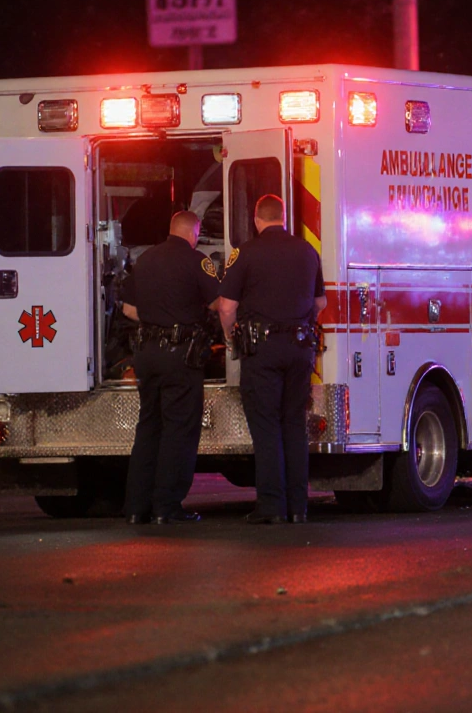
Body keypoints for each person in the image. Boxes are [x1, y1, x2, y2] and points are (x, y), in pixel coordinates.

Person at [219, 195, 326, 524]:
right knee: (293, 425)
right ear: (284, 217)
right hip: (299, 349)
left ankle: (271, 505)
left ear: (256, 219)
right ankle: (298, 506)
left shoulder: (245, 253)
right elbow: (320, 302)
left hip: (262, 351)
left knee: (266, 428)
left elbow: (226, 306)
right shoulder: (308, 251)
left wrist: (229, 337)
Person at [120, 212, 221, 524]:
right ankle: (167, 506)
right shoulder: (197, 261)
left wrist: (158, 320)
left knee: (149, 427)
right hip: (181, 355)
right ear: (195, 231)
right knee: (179, 429)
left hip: (147, 354)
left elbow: (128, 309)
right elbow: (219, 303)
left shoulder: (145, 259)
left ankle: (136, 507)